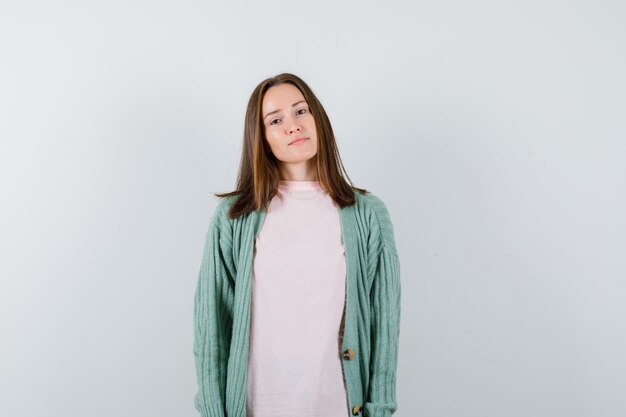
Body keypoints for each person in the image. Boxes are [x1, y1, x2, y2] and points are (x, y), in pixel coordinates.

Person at [193, 73, 401, 417]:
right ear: (262, 139)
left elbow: (385, 326)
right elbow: (211, 327)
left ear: (318, 118)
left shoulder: (368, 214)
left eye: (301, 111)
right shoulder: (233, 218)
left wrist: (379, 410)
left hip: (337, 406)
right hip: (256, 407)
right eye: (275, 120)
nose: (293, 126)